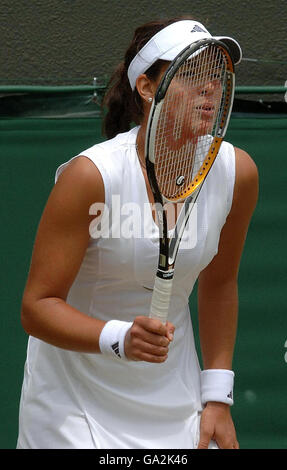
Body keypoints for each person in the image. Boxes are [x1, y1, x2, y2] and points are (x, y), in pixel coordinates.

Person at [17, 16, 258, 449]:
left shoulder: (237, 172)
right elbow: (37, 308)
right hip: (72, 404)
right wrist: (119, 338)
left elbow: (220, 284)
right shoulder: (90, 176)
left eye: (217, 76)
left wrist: (217, 396)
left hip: (172, 393)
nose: (210, 88)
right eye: (191, 75)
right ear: (147, 89)